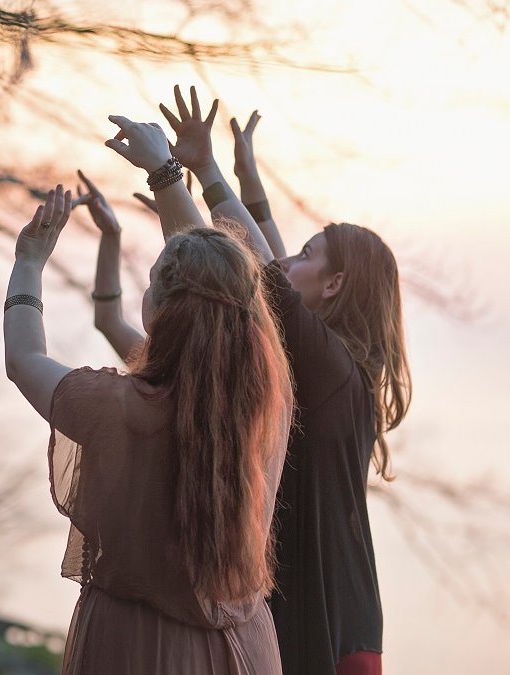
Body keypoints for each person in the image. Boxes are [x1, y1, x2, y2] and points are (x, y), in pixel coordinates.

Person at [4, 115, 293, 674]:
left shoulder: (115, 407)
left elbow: (24, 361)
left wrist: (28, 265)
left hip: (135, 648)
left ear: (160, 306)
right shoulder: (267, 405)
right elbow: (245, 291)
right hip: (247, 648)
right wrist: (169, 176)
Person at [149, 85, 412, 675]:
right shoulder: (344, 369)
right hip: (343, 618)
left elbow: (245, 269)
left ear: (337, 285)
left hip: (321, 624)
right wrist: (226, 173)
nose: (290, 257)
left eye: (309, 253)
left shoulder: (330, 367)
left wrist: (174, 174)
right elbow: (270, 259)